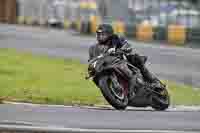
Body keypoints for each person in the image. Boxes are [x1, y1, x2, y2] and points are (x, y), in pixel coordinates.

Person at [88, 24, 160, 99]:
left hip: (122, 60)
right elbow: (92, 60)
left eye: (103, 34)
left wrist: (121, 49)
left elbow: (127, 45)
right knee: (95, 76)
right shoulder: (93, 48)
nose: (100, 37)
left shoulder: (116, 39)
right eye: (99, 34)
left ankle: (153, 81)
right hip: (107, 65)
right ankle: (112, 91)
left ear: (109, 34)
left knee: (136, 59)